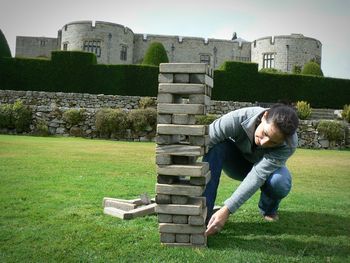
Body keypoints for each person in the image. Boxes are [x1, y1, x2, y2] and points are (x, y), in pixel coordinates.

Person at [203, 104, 299, 236]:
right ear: (264, 116)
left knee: (280, 182)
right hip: (236, 164)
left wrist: (226, 210)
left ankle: (268, 209)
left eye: (273, 142)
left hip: (265, 172)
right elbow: (203, 143)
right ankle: (205, 212)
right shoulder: (237, 118)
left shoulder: (289, 144)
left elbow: (258, 175)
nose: (264, 143)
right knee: (215, 146)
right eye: (265, 133)